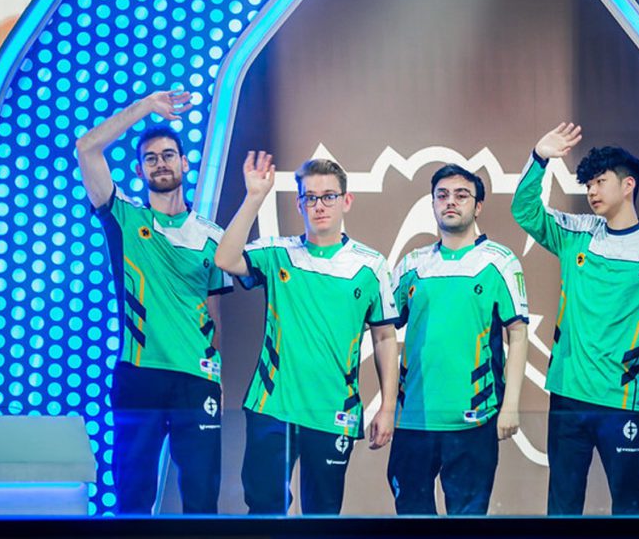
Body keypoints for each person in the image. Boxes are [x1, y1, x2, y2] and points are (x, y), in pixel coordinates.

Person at [511, 123, 639, 515]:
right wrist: (538, 158)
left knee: (629, 503)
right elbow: (524, 210)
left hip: (620, 399)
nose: (591, 191)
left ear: (628, 185)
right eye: (588, 184)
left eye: (600, 182)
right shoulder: (577, 232)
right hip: (567, 394)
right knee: (563, 503)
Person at [214, 152, 400, 514]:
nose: (319, 205)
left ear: (346, 201)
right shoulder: (277, 253)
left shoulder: (371, 266)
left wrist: (388, 408)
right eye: (310, 197)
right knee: (264, 512)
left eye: (328, 196)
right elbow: (224, 259)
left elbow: (384, 337)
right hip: (272, 408)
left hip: (334, 413)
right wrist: (254, 198)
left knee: (323, 518)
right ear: (299, 204)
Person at [75, 89, 232, 514]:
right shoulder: (125, 218)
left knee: (202, 499)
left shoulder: (213, 236)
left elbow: (214, 316)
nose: (160, 163)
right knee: (132, 498)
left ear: (185, 163)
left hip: (197, 382)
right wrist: (145, 107)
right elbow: (86, 148)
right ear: (140, 170)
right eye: (150, 158)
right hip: (139, 376)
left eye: (168, 155)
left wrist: (216, 376)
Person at [387, 164, 529, 514]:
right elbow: (381, 328)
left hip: (474, 420)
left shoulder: (499, 262)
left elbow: (518, 334)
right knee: (410, 520)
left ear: (478, 206)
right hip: (414, 419)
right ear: (433, 203)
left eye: (461, 195)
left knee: (467, 525)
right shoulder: (412, 265)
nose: (450, 202)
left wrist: (510, 405)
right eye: (442, 195)